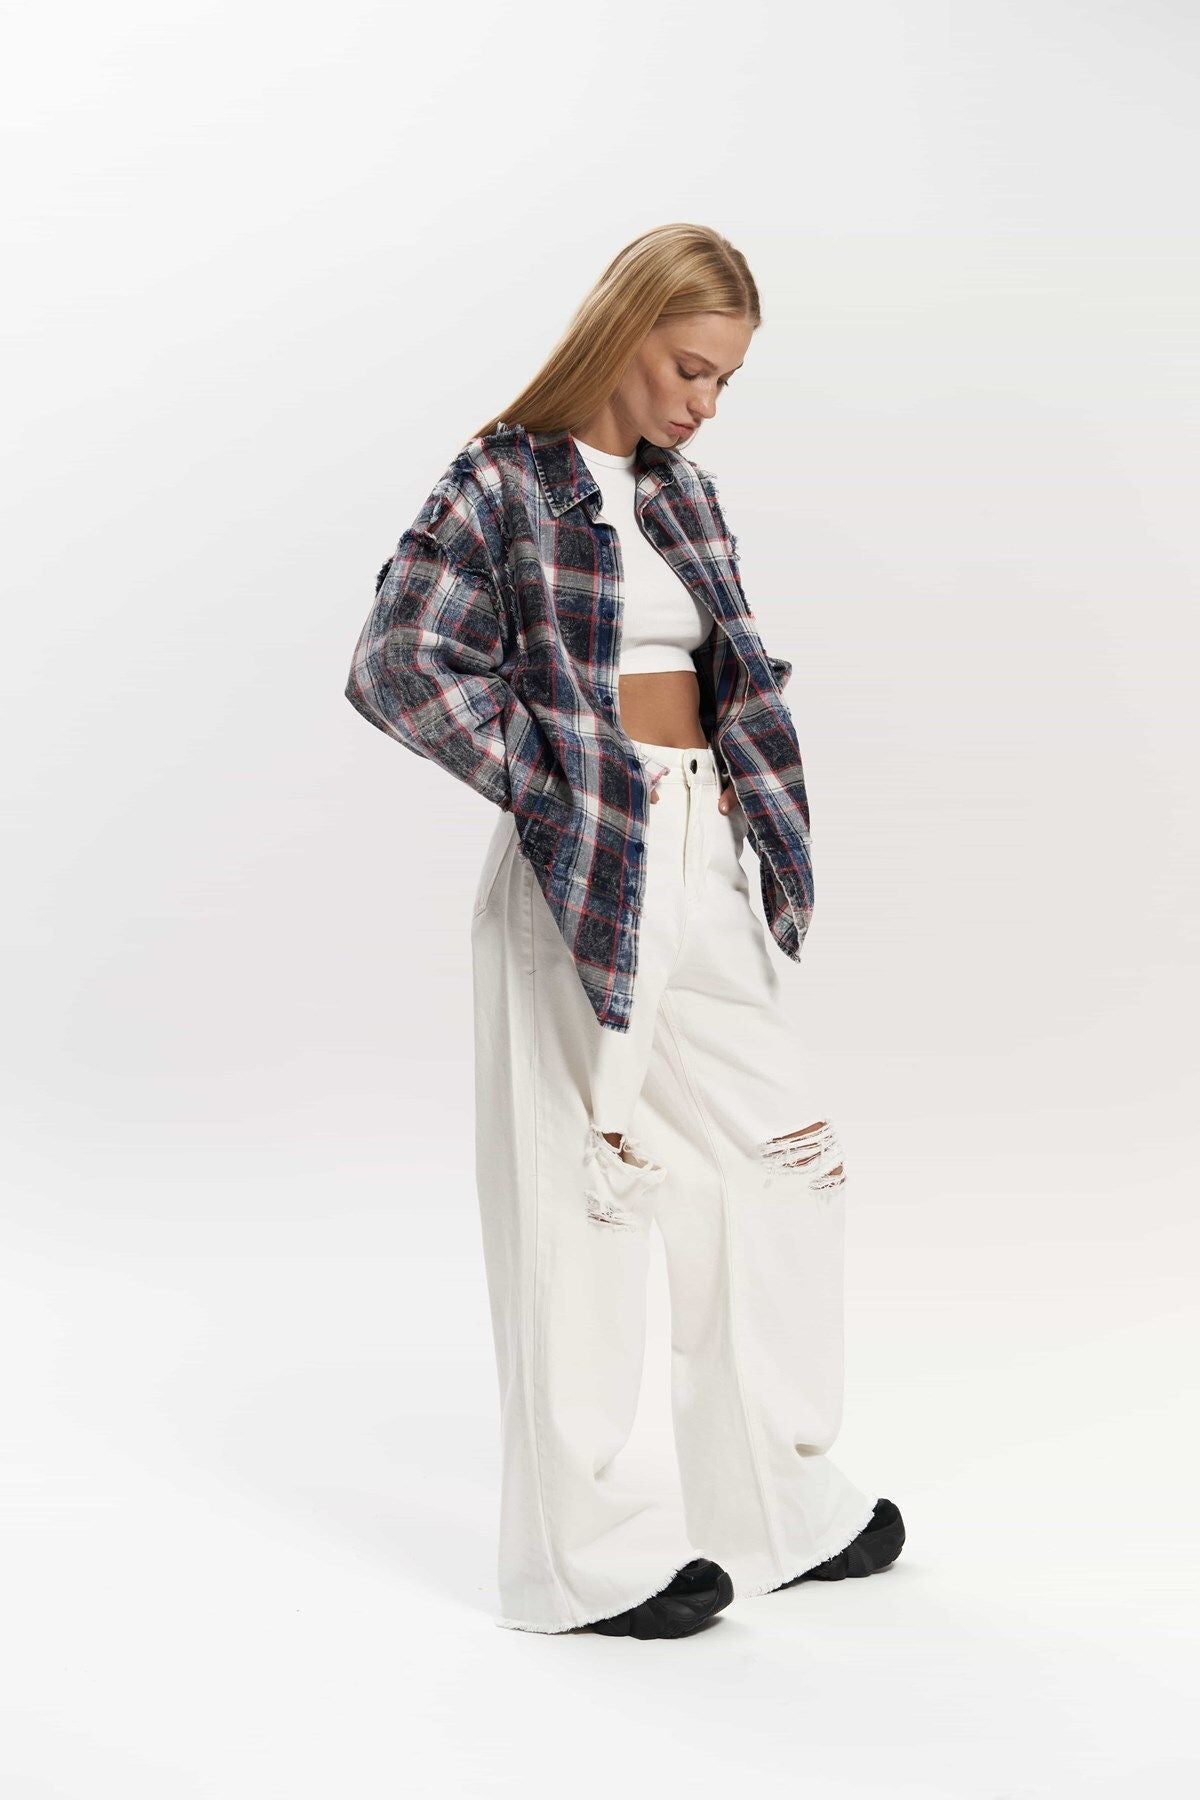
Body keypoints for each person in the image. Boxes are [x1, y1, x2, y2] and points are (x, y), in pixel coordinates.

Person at [345, 222, 904, 1639]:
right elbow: (400, 659)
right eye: (688, 367)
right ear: (625, 328)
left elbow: (726, 670)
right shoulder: (501, 480)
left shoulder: (682, 493)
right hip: (583, 867)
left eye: (724, 381)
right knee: (579, 1193)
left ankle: (779, 1508)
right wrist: (551, 782)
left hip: (705, 847)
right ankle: (574, 1561)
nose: (703, 403)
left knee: (779, 1161)